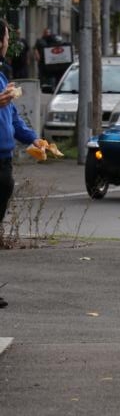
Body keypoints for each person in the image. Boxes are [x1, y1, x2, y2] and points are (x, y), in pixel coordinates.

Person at [0, 19, 44, 308]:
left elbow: (13, 117)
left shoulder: (1, 75)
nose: (8, 43)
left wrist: (33, 139)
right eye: (6, 38)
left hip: (4, 163)